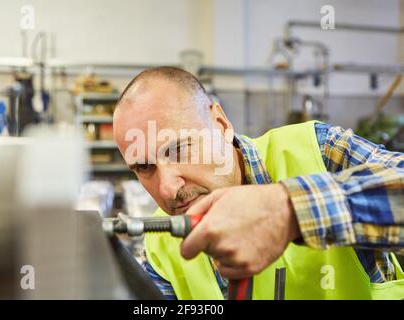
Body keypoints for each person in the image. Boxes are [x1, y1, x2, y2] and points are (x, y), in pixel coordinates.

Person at [112, 66, 404, 300]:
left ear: (221, 125)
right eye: (144, 167)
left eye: (178, 149)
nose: (167, 188)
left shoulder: (320, 152)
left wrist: (291, 211)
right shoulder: (160, 245)